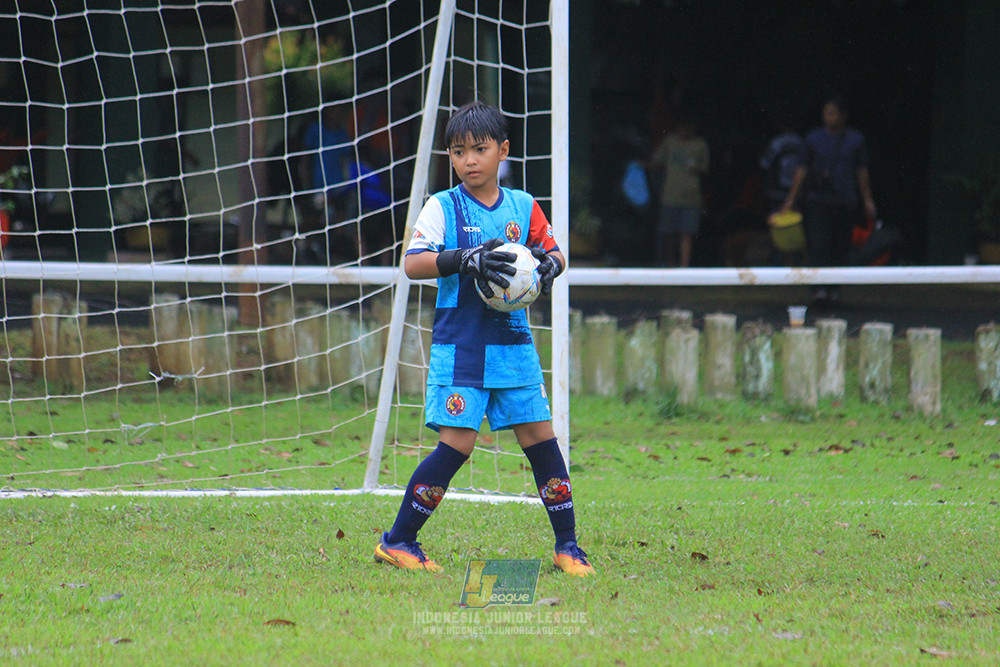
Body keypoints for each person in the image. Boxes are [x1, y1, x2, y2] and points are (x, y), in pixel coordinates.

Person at [373, 101, 593, 577]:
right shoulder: (442, 206)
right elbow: (412, 263)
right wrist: (464, 259)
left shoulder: (523, 205)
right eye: (458, 151)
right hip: (463, 349)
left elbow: (553, 251)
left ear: (503, 151)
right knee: (458, 444)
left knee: (542, 439)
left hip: (514, 347)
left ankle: (568, 547)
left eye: (480, 149)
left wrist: (550, 266)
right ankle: (399, 540)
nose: (469, 160)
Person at [780, 94, 877, 302]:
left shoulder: (855, 139)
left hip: (845, 200)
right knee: (819, 243)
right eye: (826, 113)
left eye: (832, 113)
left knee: (840, 246)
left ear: (843, 116)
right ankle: (818, 288)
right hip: (818, 200)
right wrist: (790, 200)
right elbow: (801, 170)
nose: (828, 117)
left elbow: (862, 171)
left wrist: (867, 199)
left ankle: (834, 289)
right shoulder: (813, 138)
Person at [649, 113, 709, 267]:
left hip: (691, 196)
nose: (684, 131)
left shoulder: (700, 144)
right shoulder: (670, 142)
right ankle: (670, 264)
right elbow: (656, 162)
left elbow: (705, 169)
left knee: (686, 233)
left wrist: (695, 167)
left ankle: (684, 267)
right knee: (669, 232)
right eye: (682, 127)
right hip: (670, 195)